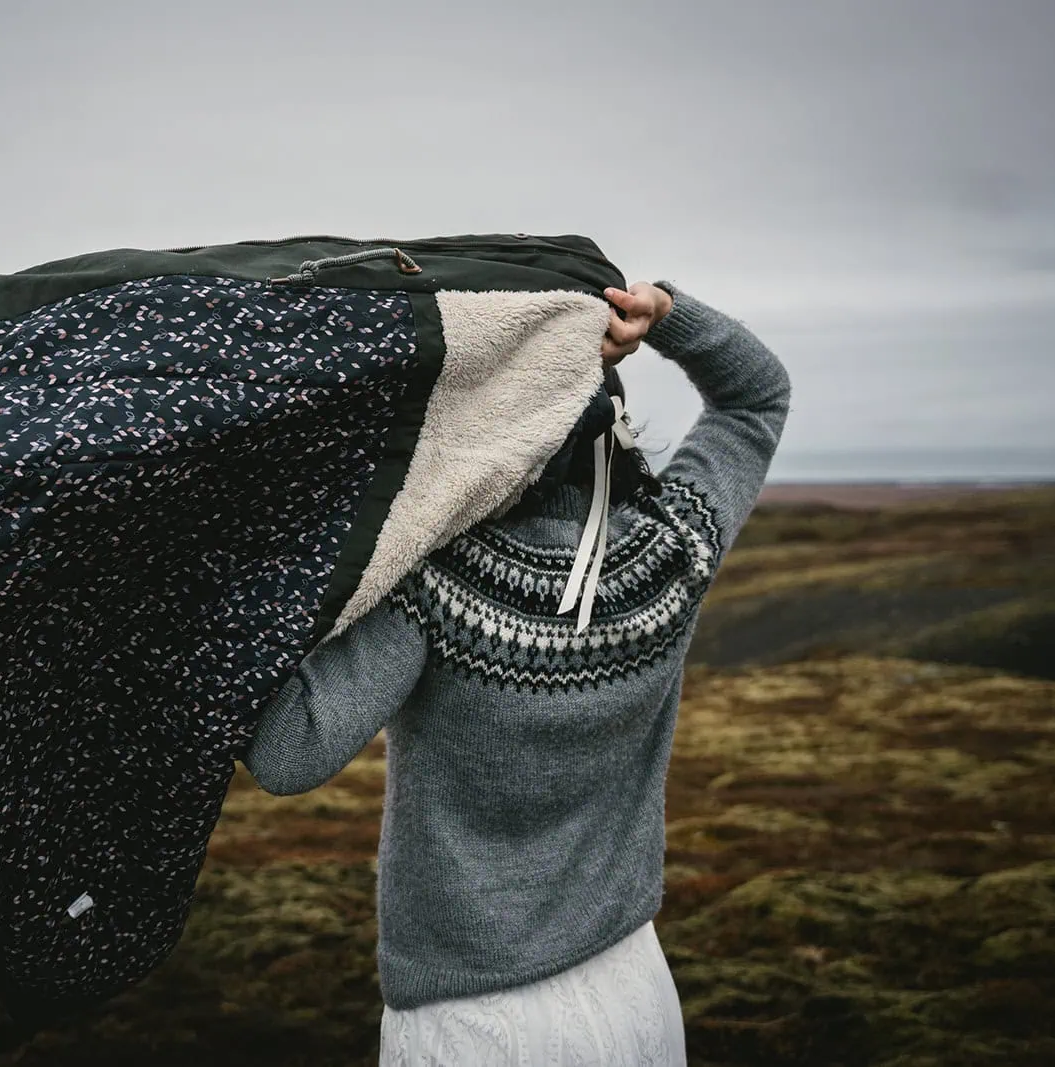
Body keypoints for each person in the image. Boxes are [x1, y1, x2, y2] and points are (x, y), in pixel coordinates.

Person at [243, 279, 792, 1066]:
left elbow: (287, 752)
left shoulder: (436, 584)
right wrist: (664, 313)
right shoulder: (673, 550)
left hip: (475, 1022)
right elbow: (756, 398)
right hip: (635, 987)